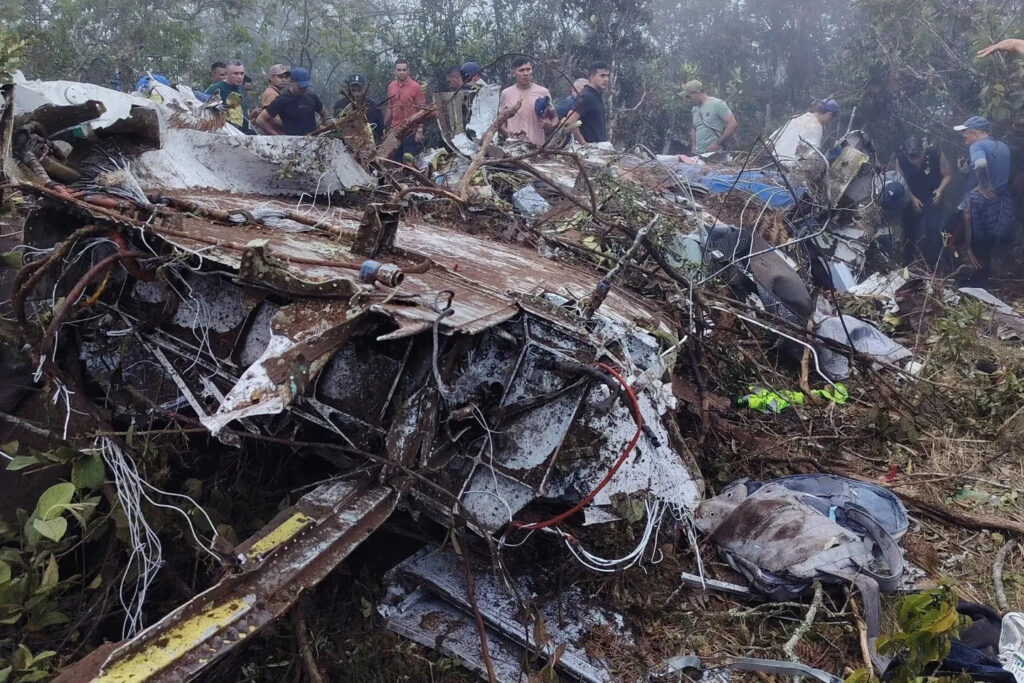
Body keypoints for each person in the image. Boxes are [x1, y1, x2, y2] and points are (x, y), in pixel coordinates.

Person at [954, 116, 1014, 280]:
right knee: (991, 240)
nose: (965, 141)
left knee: (974, 241)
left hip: (981, 201)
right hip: (1001, 200)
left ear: (974, 133)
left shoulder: (978, 146)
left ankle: (973, 282)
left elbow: (980, 164)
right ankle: (985, 279)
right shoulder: (1003, 146)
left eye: (966, 136)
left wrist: (984, 186)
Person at [896, 135, 953, 266]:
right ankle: (907, 262)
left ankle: (932, 264)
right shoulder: (901, 159)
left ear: (923, 151)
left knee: (932, 229)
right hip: (911, 196)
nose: (914, 160)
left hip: (932, 196)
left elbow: (948, 175)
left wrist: (940, 190)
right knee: (909, 230)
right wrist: (912, 198)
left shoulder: (935, 154)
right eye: (911, 157)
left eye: (917, 156)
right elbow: (899, 181)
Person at [498, 57, 556, 146]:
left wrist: (550, 125)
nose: (525, 73)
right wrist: (506, 131)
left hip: (537, 147)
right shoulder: (506, 94)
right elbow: (500, 120)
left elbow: (555, 118)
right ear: (513, 73)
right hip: (514, 147)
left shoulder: (543, 92)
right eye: (521, 70)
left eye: (528, 69)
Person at [255, 67, 327, 136]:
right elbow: (260, 120)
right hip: (292, 140)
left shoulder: (311, 96)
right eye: (300, 87)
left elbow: (323, 113)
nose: (303, 89)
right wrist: (276, 135)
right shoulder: (282, 100)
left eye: (305, 87)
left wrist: (322, 129)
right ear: (291, 82)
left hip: (313, 138)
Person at [767, 99, 839, 167]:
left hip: (771, 161)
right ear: (829, 115)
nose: (830, 122)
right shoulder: (816, 126)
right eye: (832, 119)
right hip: (787, 166)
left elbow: (773, 137)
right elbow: (810, 155)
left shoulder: (798, 117)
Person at [384, 58, 427, 158]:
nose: (402, 72)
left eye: (404, 70)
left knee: (409, 160)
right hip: (395, 130)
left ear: (408, 70)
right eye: (399, 70)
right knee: (394, 160)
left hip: (410, 131)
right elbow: (390, 107)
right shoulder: (391, 86)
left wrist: (419, 130)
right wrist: (384, 125)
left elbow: (422, 110)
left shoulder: (415, 86)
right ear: (395, 71)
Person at [684, 80, 738, 154]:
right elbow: (694, 128)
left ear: (697, 92)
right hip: (699, 154)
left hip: (715, 154)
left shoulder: (717, 104)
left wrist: (718, 143)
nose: (688, 100)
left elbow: (732, 124)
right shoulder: (694, 109)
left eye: (689, 97)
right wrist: (694, 146)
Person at [563, 62, 611, 144]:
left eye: (607, 76)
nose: (606, 79)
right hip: (590, 149)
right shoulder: (586, 96)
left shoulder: (596, 95)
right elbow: (570, 121)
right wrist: (583, 143)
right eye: (602, 76)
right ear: (592, 77)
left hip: (598, 147)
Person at [334, 73, 385, 144]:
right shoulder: (339, 106)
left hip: (369, 145)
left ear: (364, 89)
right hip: (346, 145)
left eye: (359, 90)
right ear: (348, 90)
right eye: (353, 90)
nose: (356, 94)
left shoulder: (374, 107)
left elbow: (381, 131)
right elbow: (336, 130)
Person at [206, 59, 252, 133]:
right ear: (226, 74)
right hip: (226, 133)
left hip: (244, 133)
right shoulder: (217, 89)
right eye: (235, 73)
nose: (240, 77)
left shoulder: (240, 88)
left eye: (242, 73)